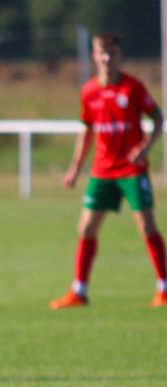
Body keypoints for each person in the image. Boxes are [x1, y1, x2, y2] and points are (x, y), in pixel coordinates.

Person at [51, 31, 167, 309]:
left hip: (132, 170)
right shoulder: (89, 91)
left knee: (146, 226)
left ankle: (163, 287)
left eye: (112, 53)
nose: (106, 58)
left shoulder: (133, 88)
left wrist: (145, 148)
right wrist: (75, 169)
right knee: (87, 227)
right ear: (94, 55)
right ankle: (79, 290)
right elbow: (86, 133)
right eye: (101, 53)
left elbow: (158, 118)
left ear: (120, 55)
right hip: (102, 171)